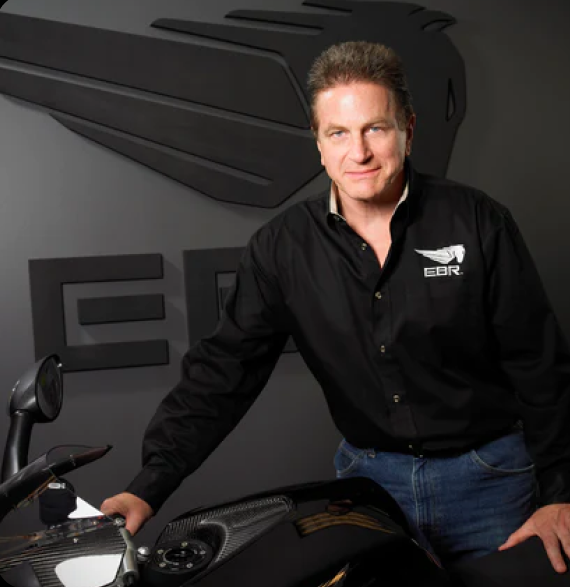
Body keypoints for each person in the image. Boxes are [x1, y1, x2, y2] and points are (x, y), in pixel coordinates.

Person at [101, 41, 570, 571]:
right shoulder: (281, 247)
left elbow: (540, 366)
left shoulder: (478, 221)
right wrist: (148, 486)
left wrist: (561, 493)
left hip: (490, 482)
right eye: (339, 133)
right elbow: (223, 373)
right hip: (370, 492)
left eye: (376, 129)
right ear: (319, 143)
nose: (359, 152)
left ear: (408, 130)